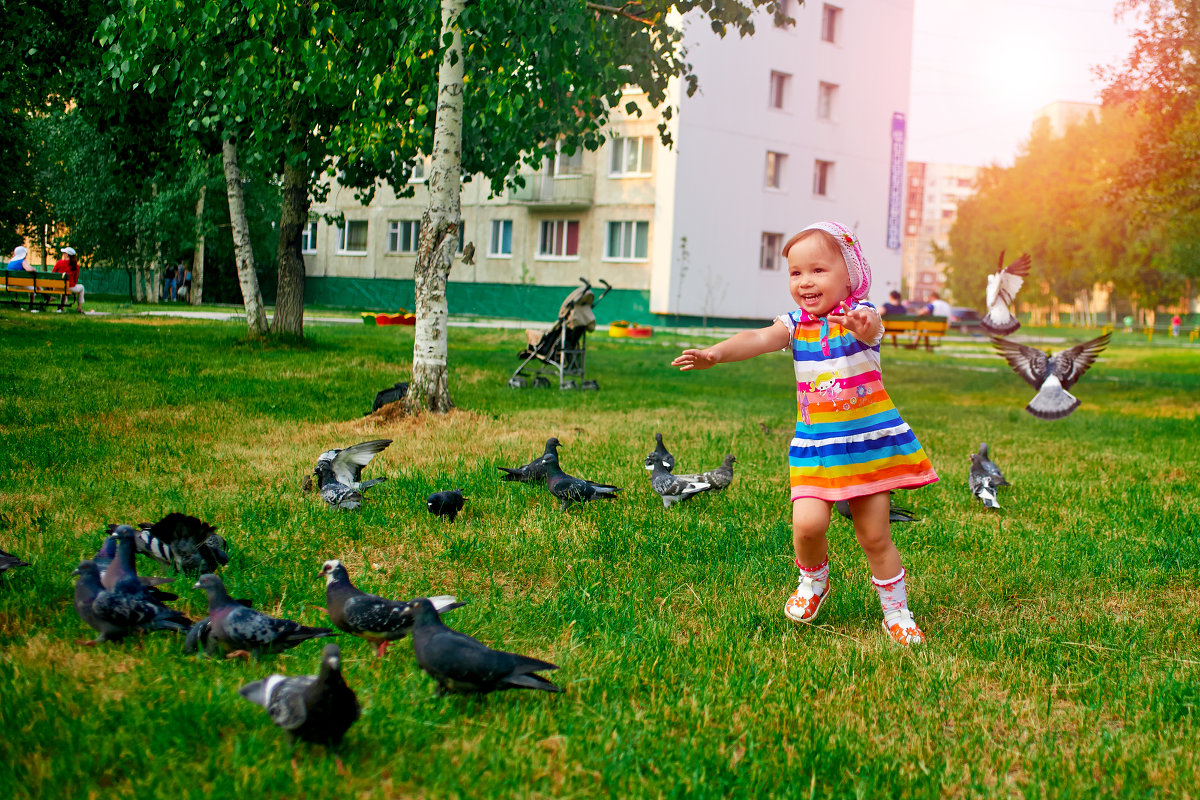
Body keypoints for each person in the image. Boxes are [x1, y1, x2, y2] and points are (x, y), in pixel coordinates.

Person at [672, 221, 937, 645]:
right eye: (796, 273)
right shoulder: (795, 324)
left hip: (867, 446)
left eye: (818, 270)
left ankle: (896, 611)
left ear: (849, 274)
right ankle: (813, 581)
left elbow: (870, 328)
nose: (805, 282)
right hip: (816, 447)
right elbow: (758, 337)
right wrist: (715, 354)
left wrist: (858, 323)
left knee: (874, 535)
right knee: (808, 527)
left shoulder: (862, 315)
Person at [52, 246, 85, 314]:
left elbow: (53, 274)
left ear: (67, 255)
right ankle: (79, 307)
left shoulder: (59, 263)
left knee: (64, 287)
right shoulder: (75, 266)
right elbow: (75, 280)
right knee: (81, 287)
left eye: (64, 253)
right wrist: (73, 284)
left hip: (57, 287)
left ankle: (62, 306)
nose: (62, 254)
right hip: (69, 287)